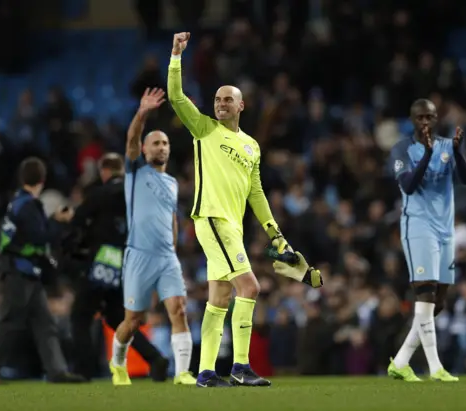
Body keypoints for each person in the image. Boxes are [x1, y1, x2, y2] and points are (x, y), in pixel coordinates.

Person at [167, 32, 322, 388]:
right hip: (212, 218)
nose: (220, 103)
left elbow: (257, 193)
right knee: (250, 287)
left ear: (241, 106)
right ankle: (240, 366)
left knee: (219, 298)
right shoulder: (204, 128)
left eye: (227, 100)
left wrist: (274, 232)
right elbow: (175, 97)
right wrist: (176, 56)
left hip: (232, 226)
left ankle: (205, 372)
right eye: (218, 99)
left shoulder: (251, 146)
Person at [109, 87, 197, 386]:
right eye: (156, 143)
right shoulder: (135, 171)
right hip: (138, 255)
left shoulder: (172, 183)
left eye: (165, 143)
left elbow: (171, 218)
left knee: (179, 310)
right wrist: (143, 112)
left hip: (166, 258)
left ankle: (183, 372)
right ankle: (117, 363)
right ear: (145, 150)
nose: (161, 147)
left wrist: (172, 250)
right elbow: (131, 138)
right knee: (133, 322)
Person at [0, 157, 84, 385]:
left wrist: (52, 221)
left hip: (24, 271)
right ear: (42, 180)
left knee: (45, 323)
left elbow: (30, 233)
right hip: (19, 271)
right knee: (9, 322)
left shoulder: (18, 203)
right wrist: (59, 221)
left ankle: (57, 371)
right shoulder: (28, 205)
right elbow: (40, 237)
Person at [388, 99, 466, 382]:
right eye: (420, 117)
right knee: (425, 294)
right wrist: (426, 154)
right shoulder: (401, 149)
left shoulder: (448, 145)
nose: (425, 122)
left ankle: (400, 361)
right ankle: (436, 368)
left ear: (436, 119)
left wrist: (458, 153)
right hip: (418, 227)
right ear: (412, 120)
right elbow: (408, 186)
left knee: (439, 303)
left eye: (430, 117)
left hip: (445, 229)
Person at [66, 153, 170, 381]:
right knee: (116, 317)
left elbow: (77, 225)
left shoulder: (98, 195)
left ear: (104, 171)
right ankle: (155, 358)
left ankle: (84, 370)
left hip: (103, 261)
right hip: (130, 262)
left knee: (80, 316)